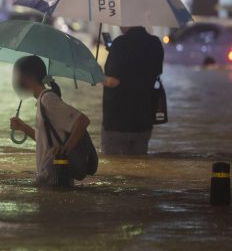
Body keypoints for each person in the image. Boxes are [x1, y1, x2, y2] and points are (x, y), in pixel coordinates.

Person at [9, 56, 90, 186]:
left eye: (18, 75)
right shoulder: (42, 100)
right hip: (49, 175)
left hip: (56, 175)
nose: (16, 80)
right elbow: (45, 140)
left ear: (28, 76)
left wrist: (65, 149)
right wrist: (23, 127)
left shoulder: (48, 99)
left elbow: (83, 121)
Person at [101, 26, 164, 155]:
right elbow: (156, 72)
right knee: (139, 167)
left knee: (115, 168)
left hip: (117, 121)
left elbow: (112, 81)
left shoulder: (119, 43)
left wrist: (96, 74)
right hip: (144, 120)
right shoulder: (155, 43)